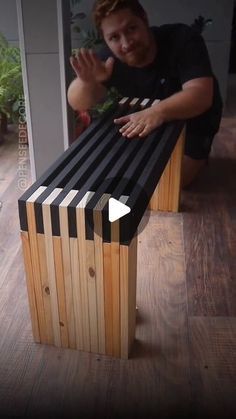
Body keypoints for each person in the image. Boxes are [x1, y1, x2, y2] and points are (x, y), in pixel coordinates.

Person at [67, 0, 223, 187]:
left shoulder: (182, 39)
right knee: (132, 175)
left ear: (144, 19)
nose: (126, 43)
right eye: (114, 38)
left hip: (195, 118)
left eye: (131, 29)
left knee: (172, 182)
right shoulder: (109, 59)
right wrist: (88, 81)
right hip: (149, 117)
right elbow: (77, 102)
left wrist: (157, 112)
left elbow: (201, 95)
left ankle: (199, 156)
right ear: (106, 40)